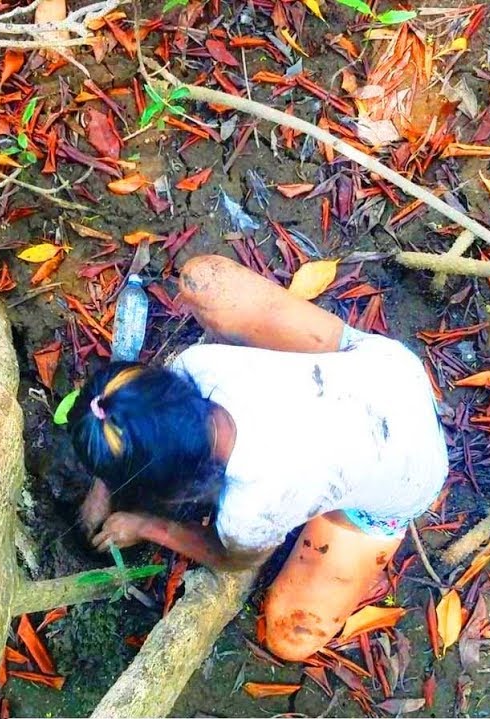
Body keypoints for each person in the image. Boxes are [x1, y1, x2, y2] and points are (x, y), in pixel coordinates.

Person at [68, 254, 447, 662]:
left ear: (178, 487)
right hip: (382, 371)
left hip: (409, 475)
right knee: (202, 277)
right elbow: (147, 421)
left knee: (287, 639)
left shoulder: (251, 509)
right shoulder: (199, 365)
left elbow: (232, 559)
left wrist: (148, 526)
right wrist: (103, 485)